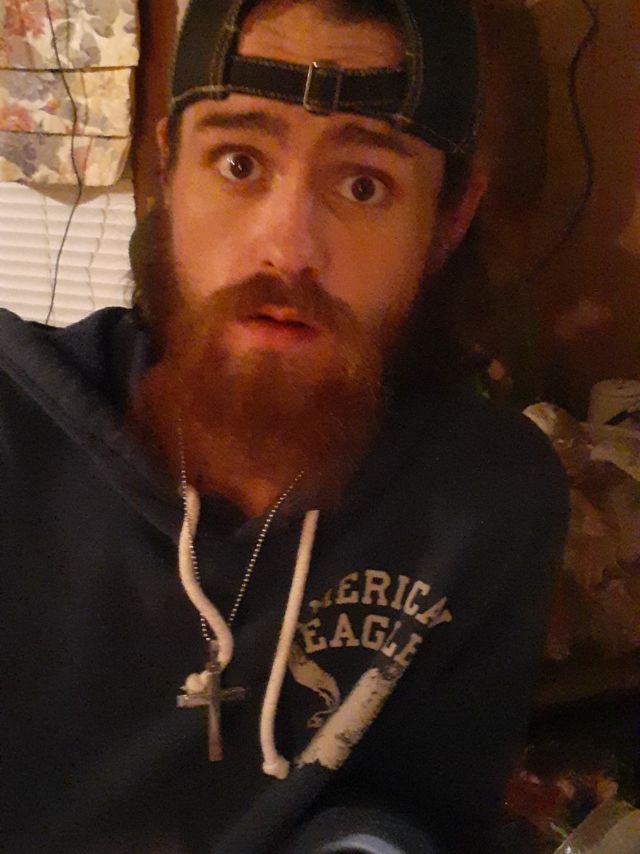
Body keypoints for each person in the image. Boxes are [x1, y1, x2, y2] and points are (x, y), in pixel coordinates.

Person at [0, 0, 568, 851]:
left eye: (363, 184)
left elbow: (426, 797)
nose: (288, 247)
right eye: (239, 163)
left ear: (448, 221)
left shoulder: (490, 500)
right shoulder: (15, 433)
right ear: (167, 174)